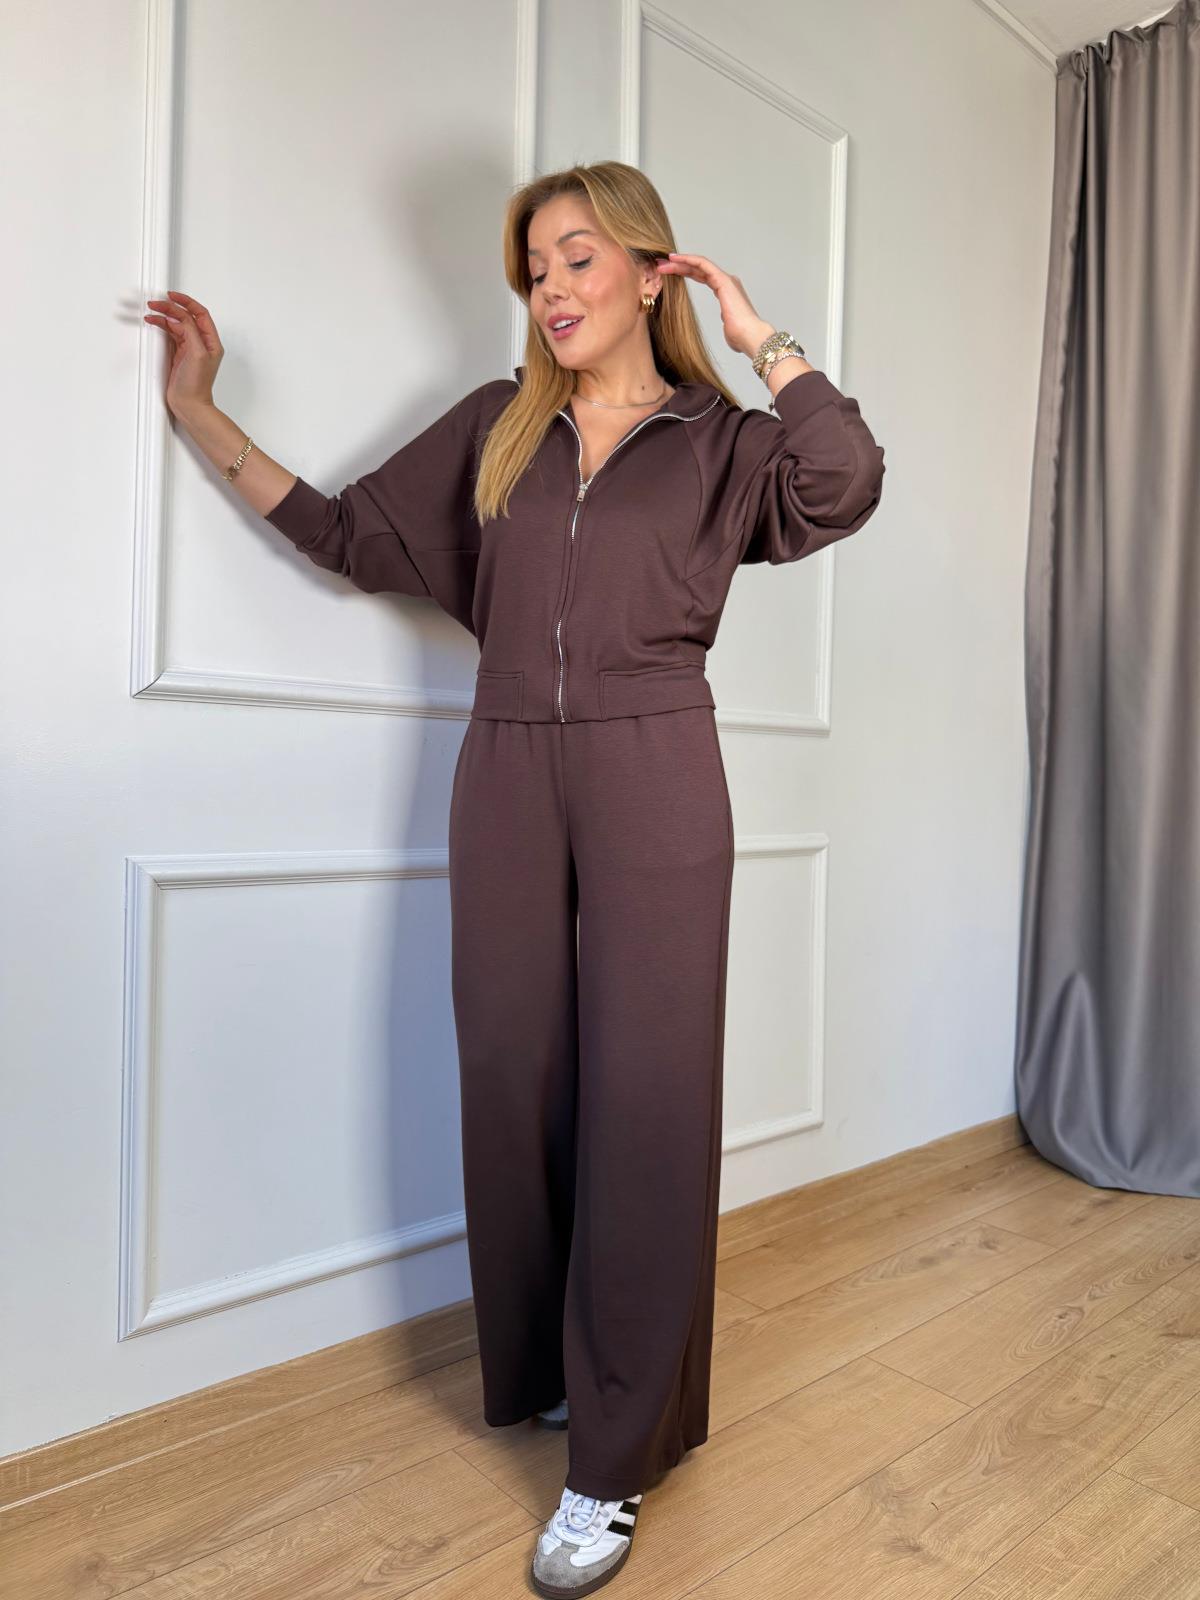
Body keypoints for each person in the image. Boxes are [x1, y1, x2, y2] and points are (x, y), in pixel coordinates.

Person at [145, 159, 886, 1597]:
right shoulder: (500, 427)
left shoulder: (726, 443)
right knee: (511, 1071)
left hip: (656, 765)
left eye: (579, 258)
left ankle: (612, 1459)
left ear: (653, 273)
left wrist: (764, 340)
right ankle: (553, 1368)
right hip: (501, 770)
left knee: (647, 1098)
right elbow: (349, 534)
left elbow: (845, 482)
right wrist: (198, 412)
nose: (551, 287)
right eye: (535, 268)